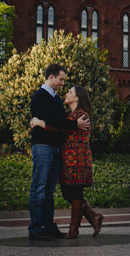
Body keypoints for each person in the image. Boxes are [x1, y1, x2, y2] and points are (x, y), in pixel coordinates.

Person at [31, 85, 103, 239]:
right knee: (67, 192)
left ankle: (73, 228)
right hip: (68, 159)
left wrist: (39, 122)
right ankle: (93, 217)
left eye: (70, 92)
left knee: (75, 192)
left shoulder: (81, 115)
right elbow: (61, 123)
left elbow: (59, 128)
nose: (66, 94)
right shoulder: (70, 115)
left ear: (77, 98)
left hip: (78, 158)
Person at [28, 63, 90, 241]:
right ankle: (36, 228)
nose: (63, 83)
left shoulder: (55, 99)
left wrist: (45, 123)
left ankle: (48, 227)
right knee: (39, 187)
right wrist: (74, 124)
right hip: (43, 146)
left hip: (56, 148)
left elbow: (57, 122)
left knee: (48, 190)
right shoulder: (40, 96)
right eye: (61, 79)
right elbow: (53, 121)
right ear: (51, 77)